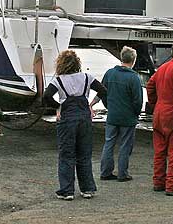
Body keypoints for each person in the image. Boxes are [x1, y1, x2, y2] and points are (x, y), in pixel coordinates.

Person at [43, 50, 108, 201]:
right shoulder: (86, 77)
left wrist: (58, 106)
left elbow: (46, 96)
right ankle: (87, 189)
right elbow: (103, 90)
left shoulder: (58, 81)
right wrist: (91, 105)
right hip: (84, 117)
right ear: (77, 63)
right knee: (84, 154)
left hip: (67, 119)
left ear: (61, 64)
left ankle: (67, 191)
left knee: (66, 154)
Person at [146, 41, 173, 196]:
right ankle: (172, 186)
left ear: (172, 52)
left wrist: (155, 103)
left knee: (159, 151)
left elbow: (150, 85)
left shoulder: (162, 68)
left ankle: (158, 182)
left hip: (159, 112)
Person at [95, 46, 142, 183]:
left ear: (121, 58)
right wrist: (136, 114)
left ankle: (105, 172)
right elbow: (138, 100)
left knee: (109, 143)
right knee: (125, 145)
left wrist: (108, 106)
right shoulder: (134, 78)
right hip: (128, 118)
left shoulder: (110, 73)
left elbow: (103, 92)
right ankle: (123, 174)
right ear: (133, 60)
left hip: (113, 116)